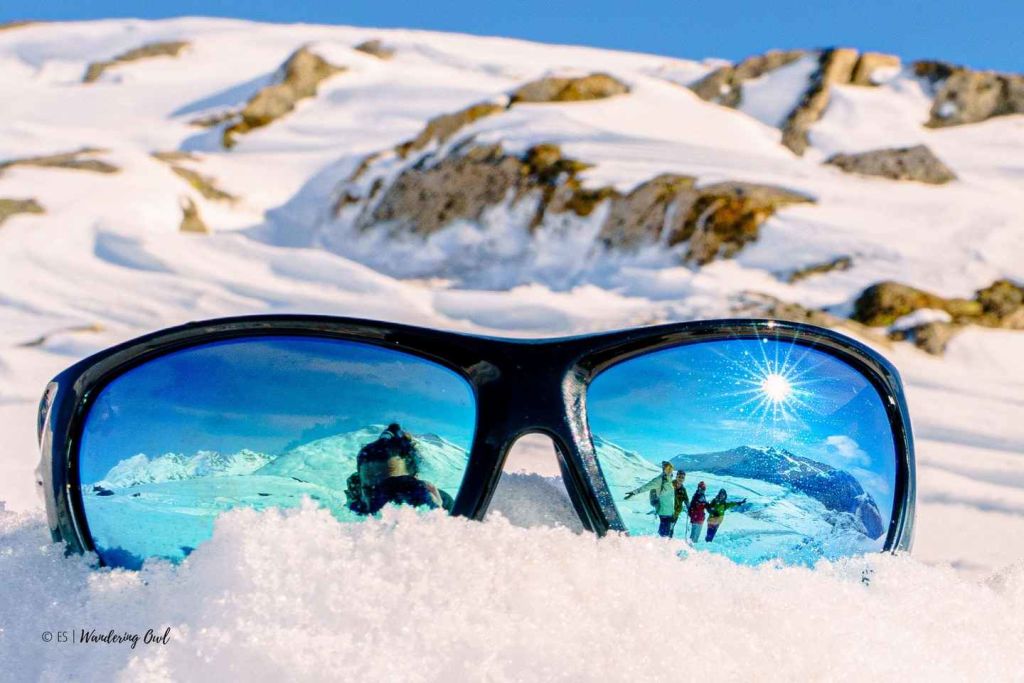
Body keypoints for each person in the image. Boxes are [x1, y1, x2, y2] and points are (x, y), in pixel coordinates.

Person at [355, 423, 446, 514]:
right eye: (368, 489)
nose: (379, 499)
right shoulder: (357, 512)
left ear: (416, 480)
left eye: (390, 487)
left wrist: (437, 516)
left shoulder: (441, 507)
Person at [624, 461, 677, 537]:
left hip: (670, 512)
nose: (669, 470)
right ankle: (660, 543)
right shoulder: (660, 480)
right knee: (664, 535)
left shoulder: (669, 479)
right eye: (667, 468)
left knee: (667, 534)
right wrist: (634, 492)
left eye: (671, 468)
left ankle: (661, 542)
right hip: (664, 511)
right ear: (663, 469)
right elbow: (647, 486)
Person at [672, 470, 689, 537]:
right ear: (676, 477)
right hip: (668, 511)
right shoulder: (670, 485)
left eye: (682, 477)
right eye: (679, 477)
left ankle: (668, 541)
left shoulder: (683, 489)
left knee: (671, 529)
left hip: (676, 513)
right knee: (665, 529)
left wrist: (689, 507)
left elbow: (686, 500)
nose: (681, 479)